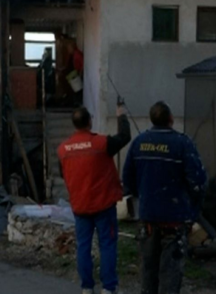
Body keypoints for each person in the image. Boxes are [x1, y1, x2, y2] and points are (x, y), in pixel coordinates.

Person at [123, 101, 207, 294]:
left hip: (147, 219)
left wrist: (142, 197)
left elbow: (127, 180)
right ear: (171, 119)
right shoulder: (182, 143)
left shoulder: (139, 142)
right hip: (175, 220)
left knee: (148, 272)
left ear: (152, 119)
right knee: (170, 274)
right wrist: (193, 211)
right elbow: (198, 182)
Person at [58, 105, 132, 294]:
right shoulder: (101, 144)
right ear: (90, 122)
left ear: (74, 124)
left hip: (80, 206)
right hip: (103, 204)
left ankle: (87, 287)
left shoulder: (63, 150)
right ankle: (108, 288)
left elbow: (63, 173)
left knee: (83, 247)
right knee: (107, 245)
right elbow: (124, 137)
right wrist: (121, 115)